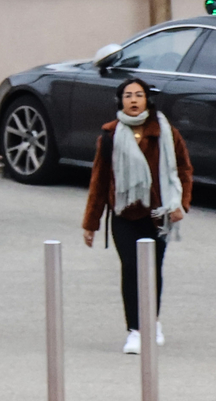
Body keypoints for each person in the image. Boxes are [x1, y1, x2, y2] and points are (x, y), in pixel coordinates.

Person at [81, 77, 193, 354]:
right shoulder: (109, 136)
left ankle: (151, 323)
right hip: (124, 215)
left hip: (159, 214)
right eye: (128, 95)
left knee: (153, 269)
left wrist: (181, 204)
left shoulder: (166, 133)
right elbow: (99, 181)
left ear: (147, 100)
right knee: (131, 270)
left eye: (138, 95)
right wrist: (91, 224)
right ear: (120, 101)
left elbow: (183, 170)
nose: (133, 100)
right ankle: (134, 330)